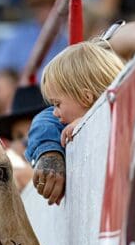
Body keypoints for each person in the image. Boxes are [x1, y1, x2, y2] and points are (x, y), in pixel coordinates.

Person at [27, 39, 124, 205]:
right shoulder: (66, 123)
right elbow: (45, 118)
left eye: (57, 104)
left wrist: (91, 122)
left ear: (86, 97)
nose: (55, 112)